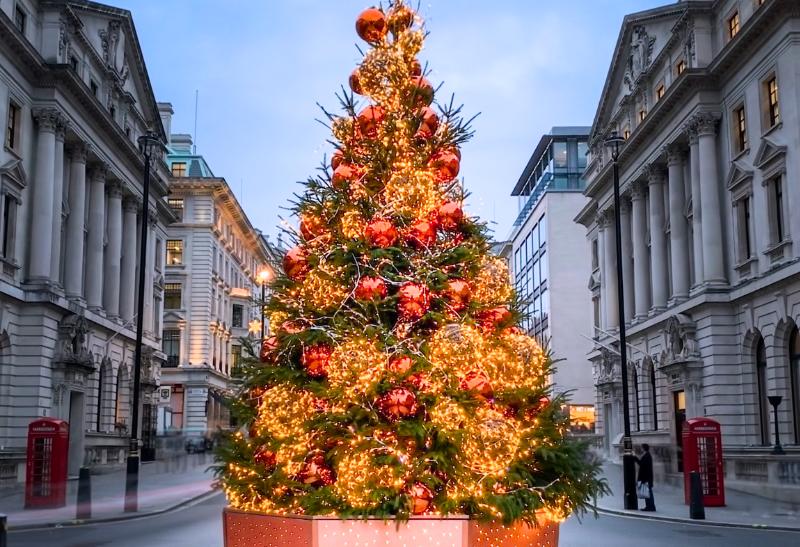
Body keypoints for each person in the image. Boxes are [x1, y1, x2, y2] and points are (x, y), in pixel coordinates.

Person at [635, 443, 656, 511]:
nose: (640, 449)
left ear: (643, 448)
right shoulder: (647, 455)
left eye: (641, 447)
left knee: (648, 492)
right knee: (647, 492)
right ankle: (649, 506)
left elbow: (642, 465)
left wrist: (635, 458)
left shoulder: (647, 456)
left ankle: (651, 507)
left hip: (646, 478)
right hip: (647, 478)